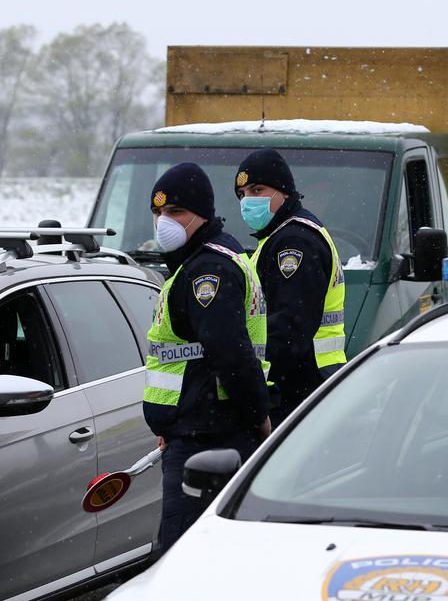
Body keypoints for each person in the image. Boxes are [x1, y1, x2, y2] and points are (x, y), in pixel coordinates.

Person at [143, 162, 271, 552]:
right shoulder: (208, 258)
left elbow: (230, 353)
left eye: (175, 212)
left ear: (201, 214)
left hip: (211, 436)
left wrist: (258, 416)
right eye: (159, 214)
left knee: (182, 555)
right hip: (199, 427)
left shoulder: (207, 271)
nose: (164, 222)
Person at [235, 148, 346, 424]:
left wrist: (243, 369)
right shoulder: (279, 237)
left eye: (258, 189)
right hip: (310, 381)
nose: (249, 200)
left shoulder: (294, 242)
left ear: (283, 191)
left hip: (300, 386)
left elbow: (288, 329)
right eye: (243, 194)